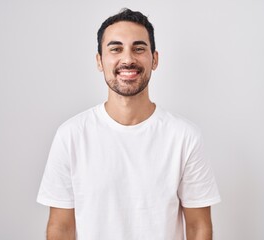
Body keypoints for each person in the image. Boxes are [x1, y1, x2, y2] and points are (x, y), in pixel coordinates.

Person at [37, 8, 221, 240]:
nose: (127, 59)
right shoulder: (71, 135)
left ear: (154, 59)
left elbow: (198, 227)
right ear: (99, 61)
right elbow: (61, 228)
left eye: (139, 48)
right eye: (115, 49)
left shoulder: (184, 137)